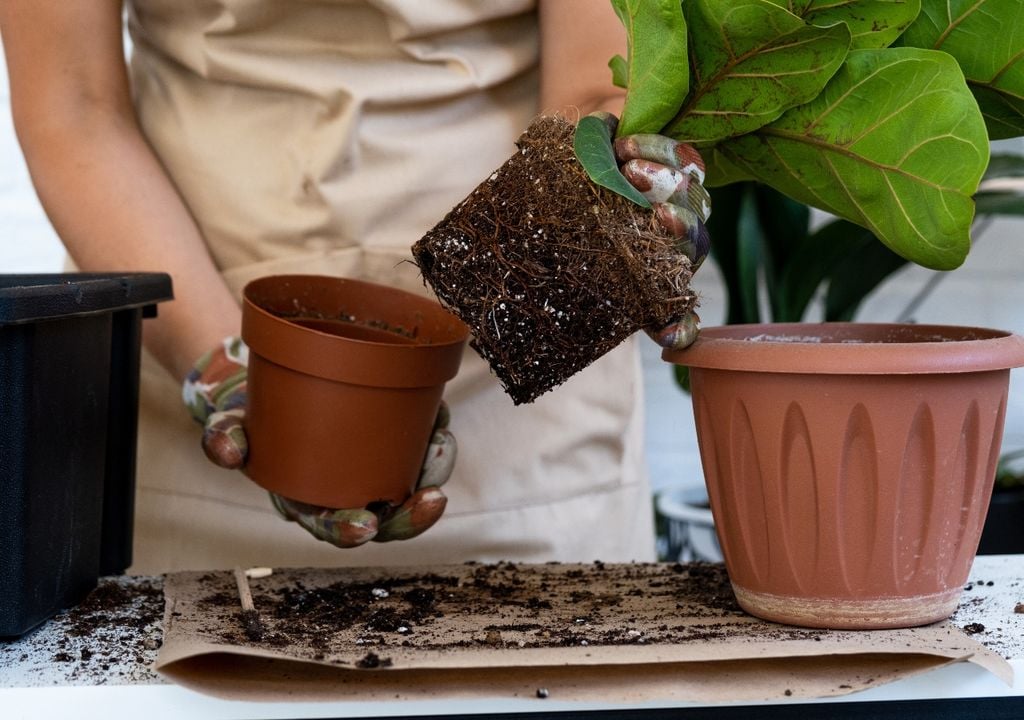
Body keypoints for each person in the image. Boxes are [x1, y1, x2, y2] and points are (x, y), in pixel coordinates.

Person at [1, 0, 707, 573]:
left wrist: (621, 195)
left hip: (515, 427)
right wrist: (225, 370)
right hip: (184, 355)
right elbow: (74, 104)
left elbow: (600, 75)